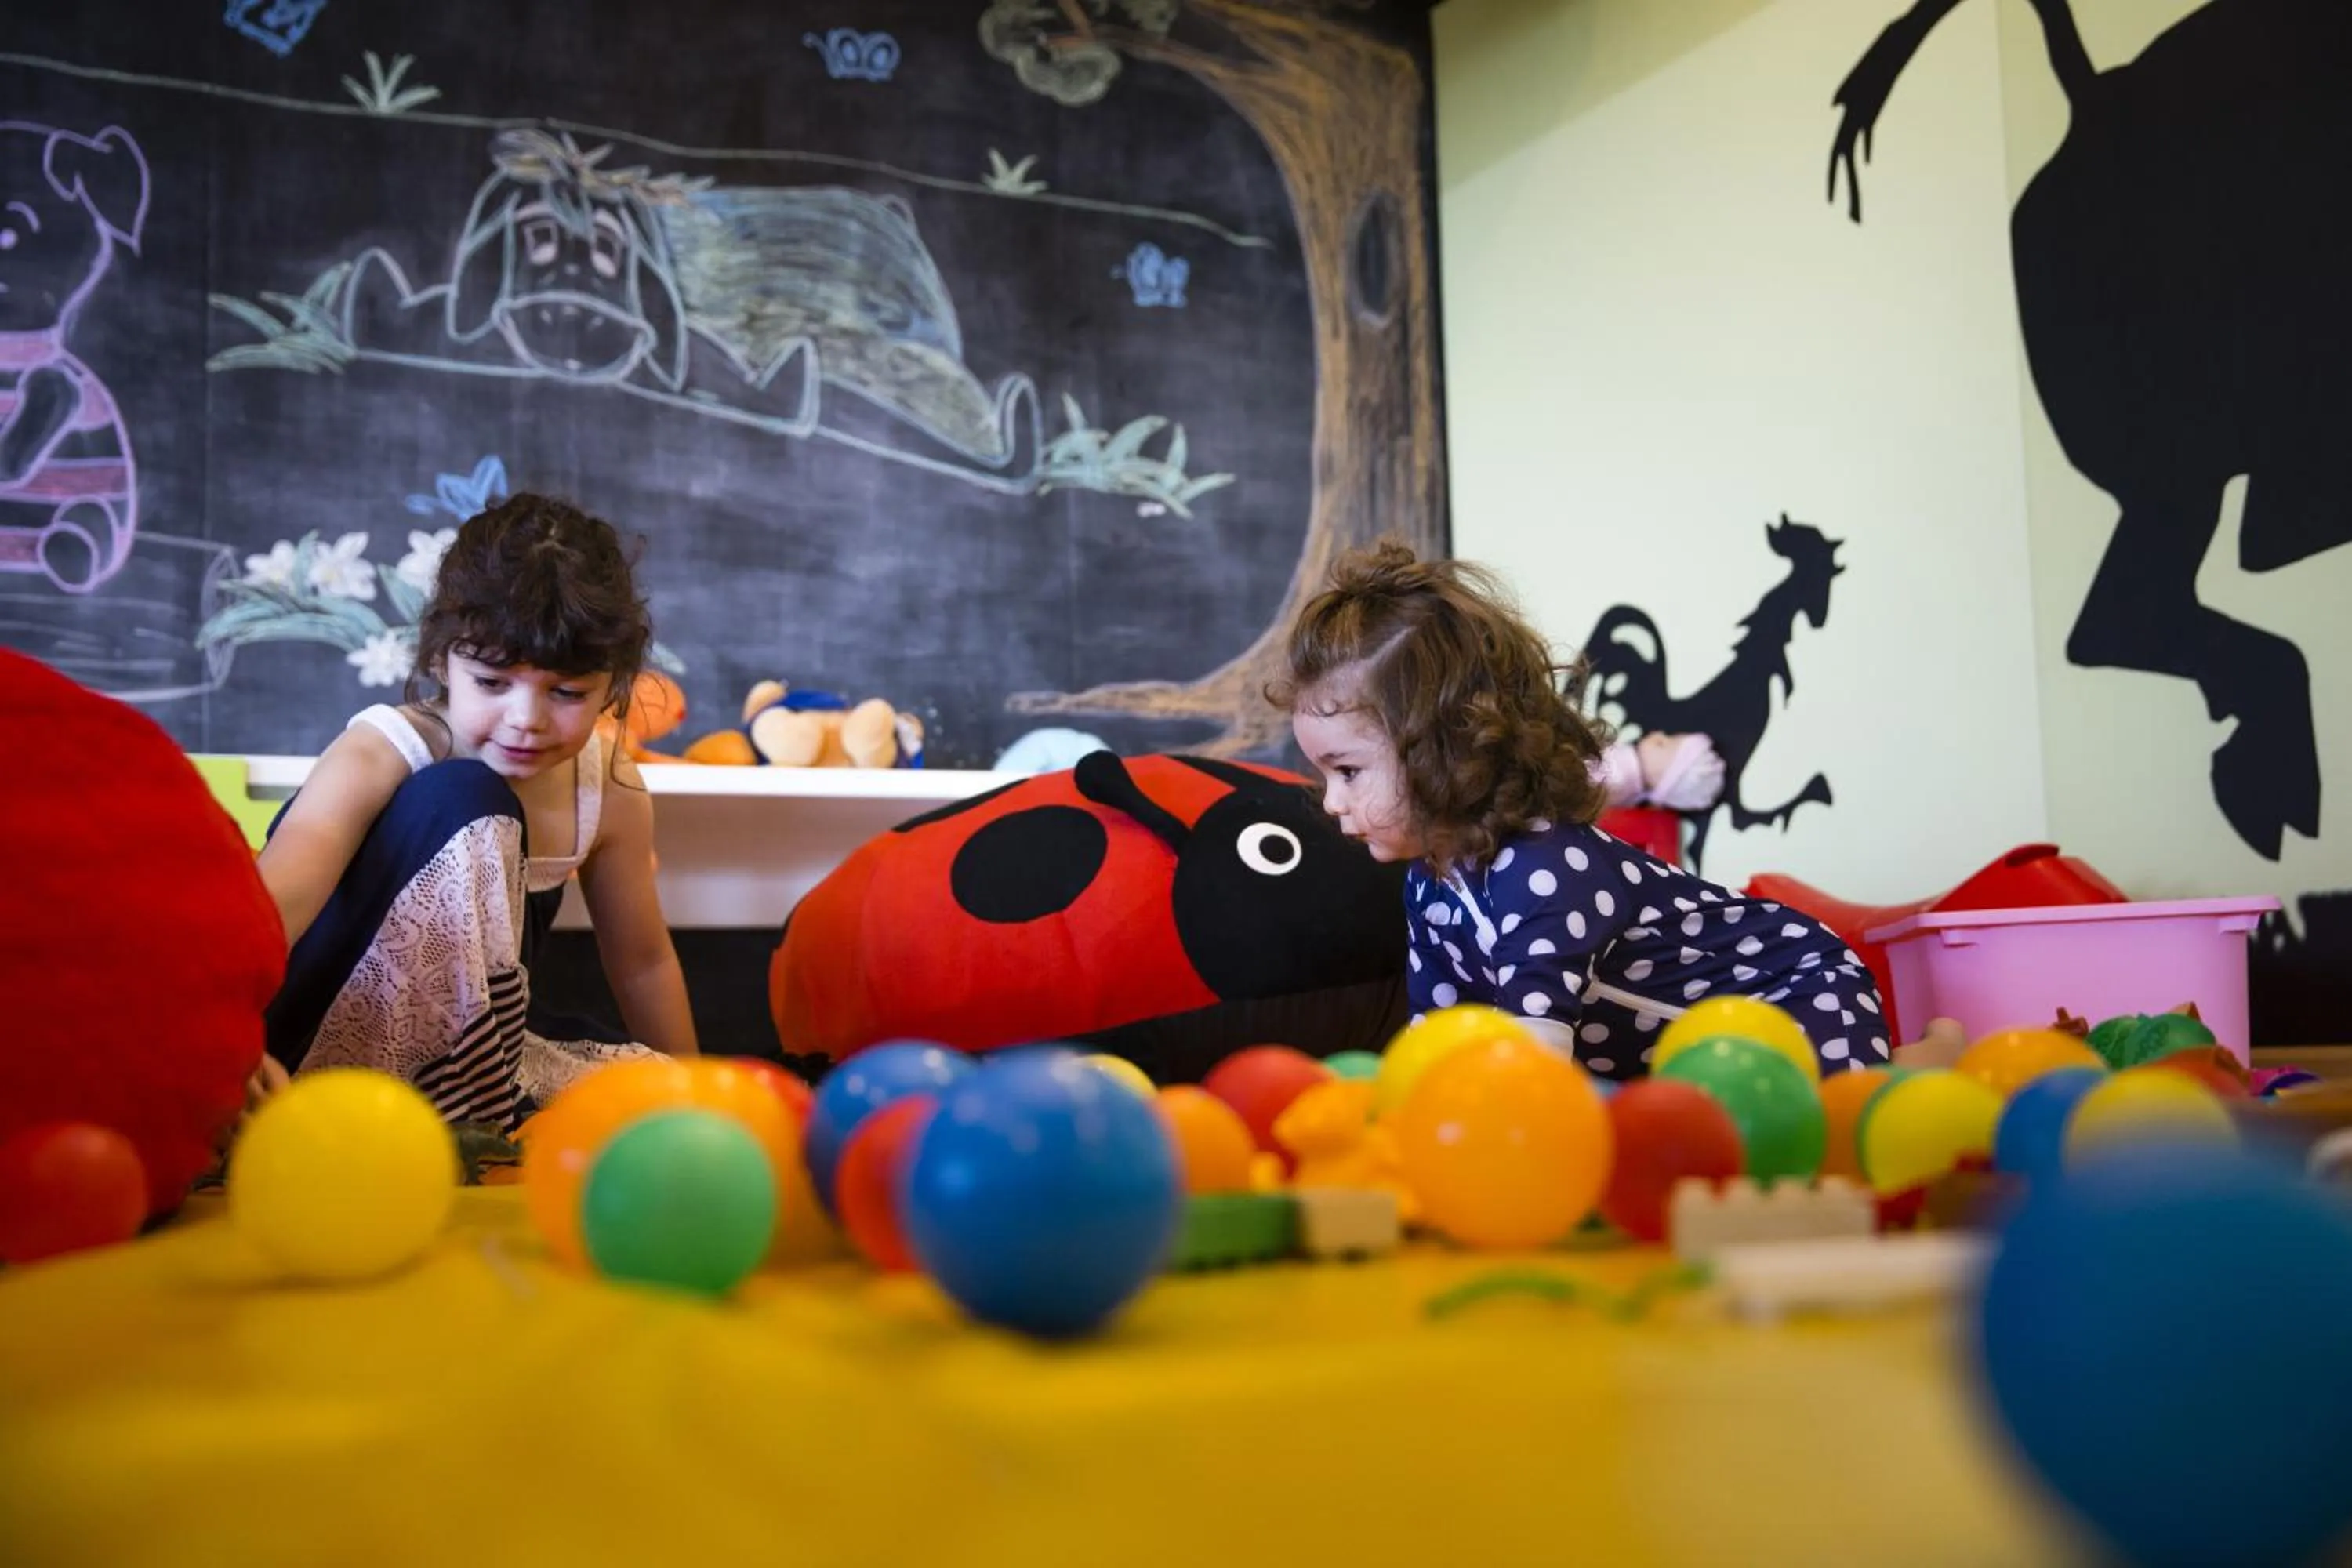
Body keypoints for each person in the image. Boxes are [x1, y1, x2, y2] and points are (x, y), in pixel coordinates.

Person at [1273, 540, 1891, 1080]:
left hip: (1794, 989)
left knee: (1833, 1122)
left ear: (1446, 750)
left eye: (1348, 771)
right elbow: (1441, 1039)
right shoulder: (1429, 886)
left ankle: (1924, 1055)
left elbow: (1535, 1058)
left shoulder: (1545, 867)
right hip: (1693, 1056)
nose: (1332, 802)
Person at [252, 493, 696, 1129]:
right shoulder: (385, 749)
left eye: (567, 693)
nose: (526, 719)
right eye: (492, 683)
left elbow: (644, 962)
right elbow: (276, 901)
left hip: (471, 1055)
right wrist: (224, 1040)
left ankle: (470, 1109)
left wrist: (701, 1098)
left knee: (650, 1088)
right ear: (441, 659)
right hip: (315, 1033)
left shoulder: (611, 790)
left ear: (613, 687)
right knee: (468, 793)